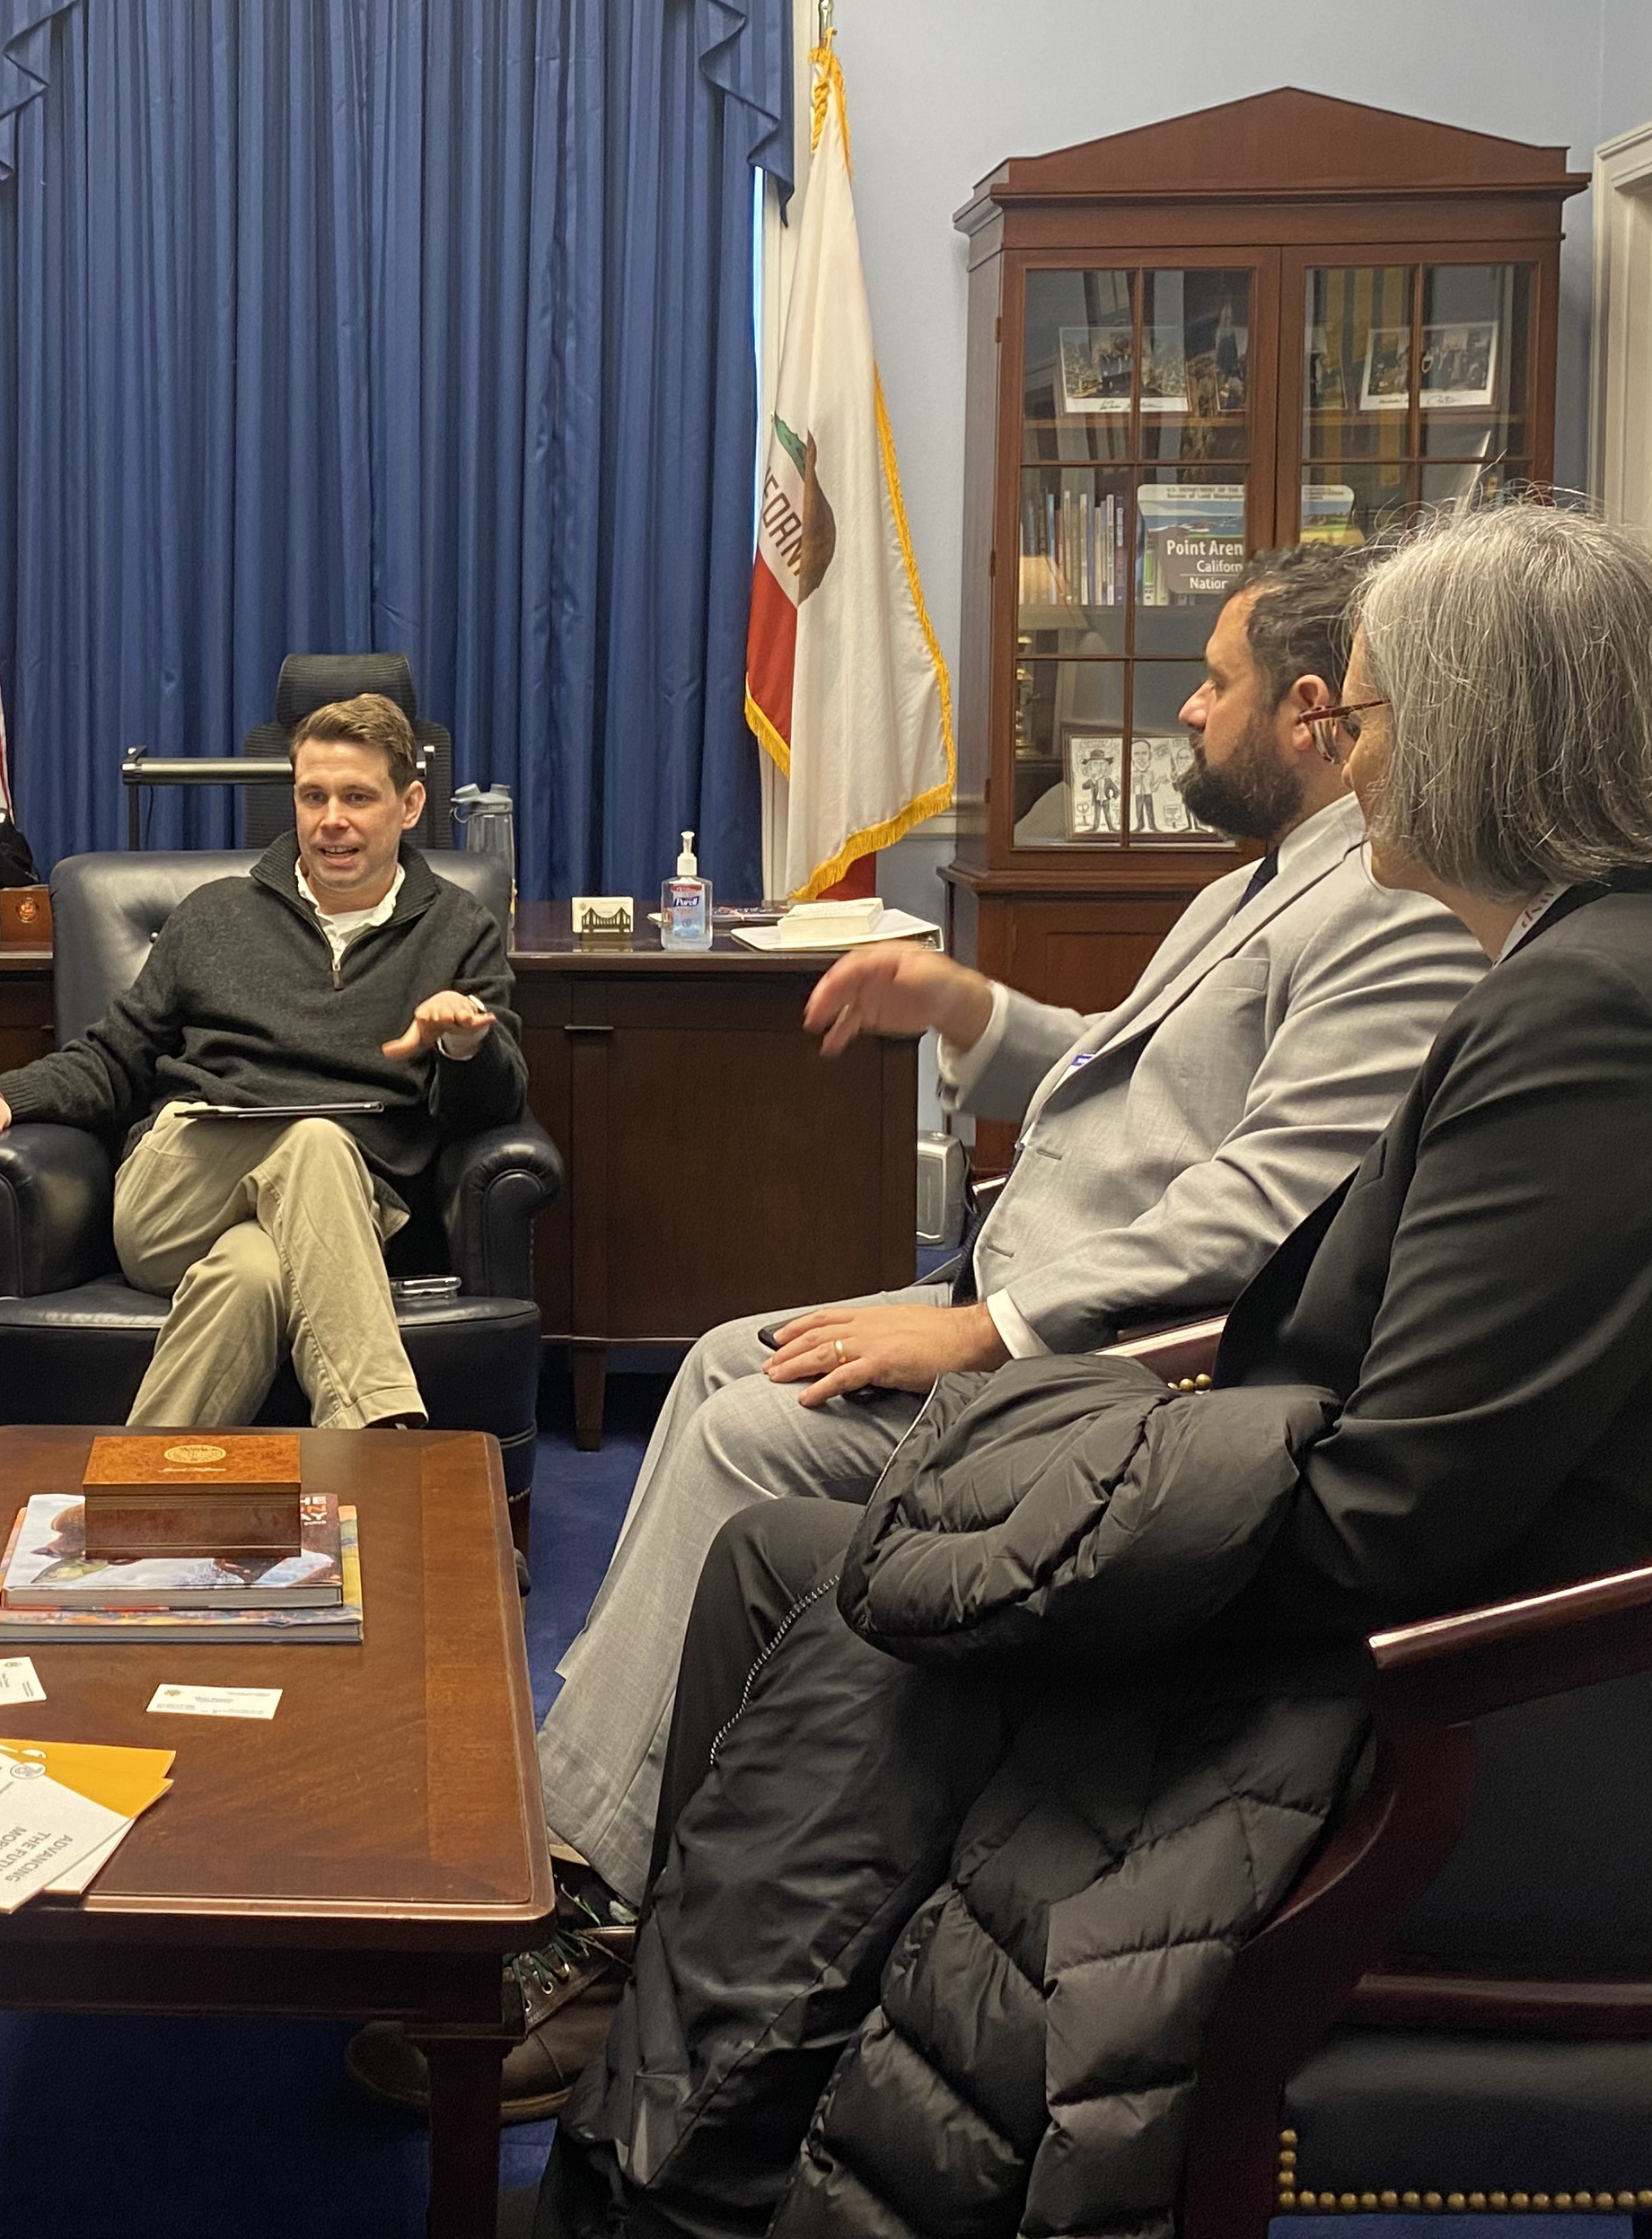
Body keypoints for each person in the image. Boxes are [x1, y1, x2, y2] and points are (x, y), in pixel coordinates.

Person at [540, 500, 1652, 2238]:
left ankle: (691, 2154)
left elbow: (1391, 1514)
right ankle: (706, 2107)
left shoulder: (1607, 1014)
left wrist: (1061, 1542)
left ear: (1491, 736)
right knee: (832, 1556)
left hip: (1509, 1724)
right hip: (1494, 1620)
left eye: (1383, 713)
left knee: (883, 1583)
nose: (1357, 753)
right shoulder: (1627, 959)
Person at [369, 549, 1483, 2127]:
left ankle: (594, 1915)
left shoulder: (1385, 909)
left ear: (1308, 713)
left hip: (1113, 1382)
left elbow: (1273, 1206)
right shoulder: (1262, 875)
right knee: (716, 1357)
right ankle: (570, 1837)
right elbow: (1128, 1066)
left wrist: (983, 1327)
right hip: (1020, 1308)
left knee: (759, 1424)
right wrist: (968, 1003)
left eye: (1213, 678)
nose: (1185, 700)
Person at [0, 690, 522, 1429]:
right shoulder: (215, 915)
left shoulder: (458, 930)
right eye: (313, 796)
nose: (331, 819)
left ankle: (140, 1504)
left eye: (357, 797)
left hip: (343, 1210)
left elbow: (493, 1107)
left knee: (252, 1271)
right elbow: (115, 1056)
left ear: (409, 805)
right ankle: (384, 1443)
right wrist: (11, 1095)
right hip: (179, 1186)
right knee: (313, 1140)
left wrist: (466, 1046)